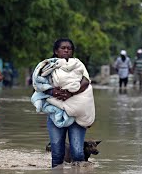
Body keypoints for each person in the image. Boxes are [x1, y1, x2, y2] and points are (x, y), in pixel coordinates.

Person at [31, 38, 95, 168]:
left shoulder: (78, 64)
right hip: (56, 113)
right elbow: (38, 86)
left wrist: (71, 93)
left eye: (69, 48)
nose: (66, 50)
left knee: (77, 152)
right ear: (56, 51)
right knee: (57, 153)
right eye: (63, 48)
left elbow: (86, 82)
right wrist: (53, 92)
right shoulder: (47, 67)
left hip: (77, 114)